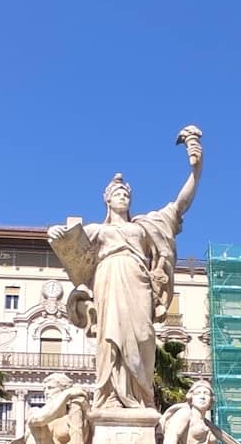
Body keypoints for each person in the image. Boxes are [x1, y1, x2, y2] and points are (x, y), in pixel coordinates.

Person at [48, 126, 202, 409]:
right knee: (110, 337)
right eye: (117, 193)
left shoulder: (145, 226)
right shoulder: (96, 230)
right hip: (108, 277)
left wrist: (196, 169)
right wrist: (56, 231)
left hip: (138, 280)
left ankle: (141, 397)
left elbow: (180, 205)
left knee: (143, 335)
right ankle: (110, 397)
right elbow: (71, 245)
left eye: (126, 194)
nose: (123, 197)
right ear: (107, 199)